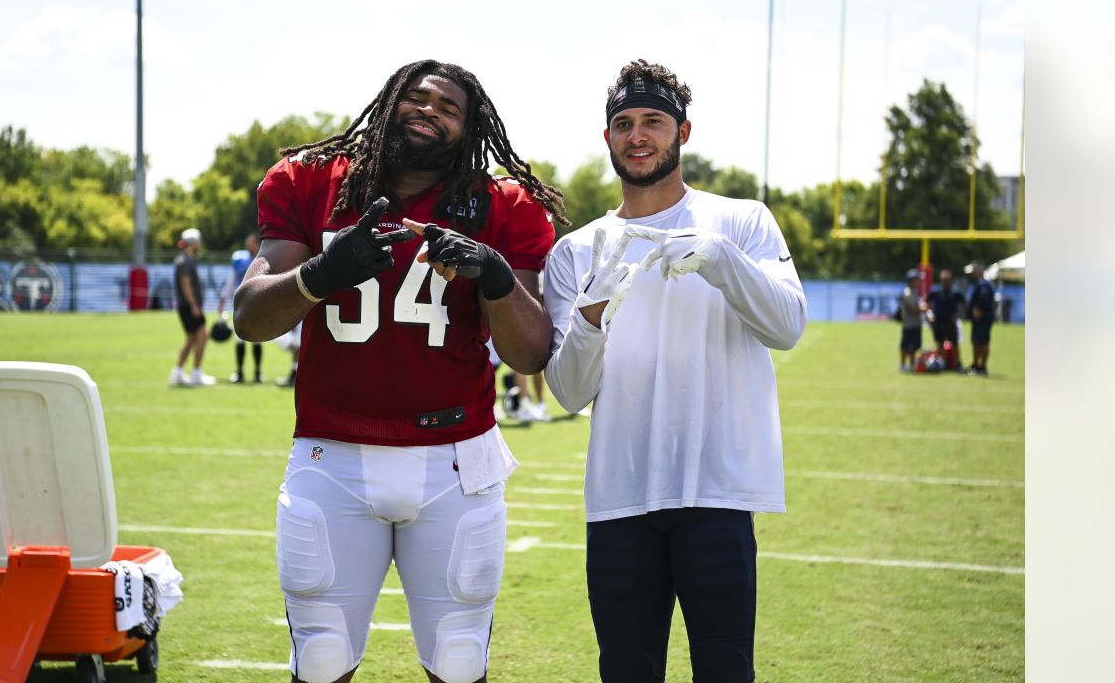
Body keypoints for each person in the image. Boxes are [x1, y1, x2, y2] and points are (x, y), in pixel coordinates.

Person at [233, 59, 567, 683]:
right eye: (416, 97)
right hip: (331, 457)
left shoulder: (501, 206)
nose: (429, 109)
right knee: (323, 657)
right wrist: (319, 275)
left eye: (448, 107)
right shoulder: (310, 182)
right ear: (388, 103)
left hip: (453, 462)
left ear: (470, 132)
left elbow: (529, 353)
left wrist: (493, 277)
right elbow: (250, 318)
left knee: (461, 662)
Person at [543, 60, 806, 683]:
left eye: (653, 121)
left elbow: (787, 326)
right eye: (624, 123)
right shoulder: (577, 250)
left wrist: (721, 260)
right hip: (620, 500)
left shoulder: (741, 221)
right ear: (607, 137)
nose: (639, 135)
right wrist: (590, 315)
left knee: (725, 671)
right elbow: (569, 392)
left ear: (682, 132)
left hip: (716, 493)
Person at [168, 228, 215, 386]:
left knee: (192, 339)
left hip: (186, 305)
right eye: (199, 241)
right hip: (189, 306)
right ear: (193, 242)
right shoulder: (185, 260)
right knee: (202, 336)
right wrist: (194, 305)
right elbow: (186, 285)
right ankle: (195, 373)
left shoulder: (184, 258)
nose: (200, 244)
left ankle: (178, 373)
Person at [218, 233, 264, 383]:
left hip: (257, 303)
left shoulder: (264, 259)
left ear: (258, 244)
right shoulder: (239, 259)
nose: (248, 246)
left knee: (257, 339)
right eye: (247, 243)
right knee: (239, 339)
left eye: (252, 243)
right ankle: (240, 372)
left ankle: (257, 373)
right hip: (240, 303)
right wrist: (223, 299)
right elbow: (231, 281)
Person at [924, 268, 966, 371]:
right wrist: (929, 315)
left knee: (954, 343)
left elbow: (964, 303)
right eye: (943, 280)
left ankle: (957, 364)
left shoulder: (955, 292)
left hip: (950, 322)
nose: (945, 282)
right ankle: (942, 364)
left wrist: (959, 315)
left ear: (951, 280)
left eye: (947, 280)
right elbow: (925, 302)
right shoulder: (936, 292)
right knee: (940, 344)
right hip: (938, 322)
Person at [964, 259, 996, 375]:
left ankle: (982, 367)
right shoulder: (980, 283)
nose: (971, 274)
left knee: (982, 342)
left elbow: (983, 298)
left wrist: (978, 309)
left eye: (973, 272)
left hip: (982, 319)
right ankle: (976, 365)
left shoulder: (983, 284)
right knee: (977, 342)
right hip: (980, 319)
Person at [898, 268, 924, 372]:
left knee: (914, 347)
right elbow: (913, 308)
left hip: (915, 323)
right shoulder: (908, 292)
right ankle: (903, 365)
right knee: (906, 346)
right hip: (909, 324)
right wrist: (924, 308)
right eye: (917, 280)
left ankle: (912, 365)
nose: (919, 282)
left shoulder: (914, 291)